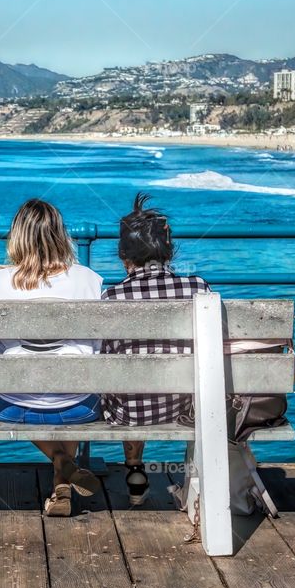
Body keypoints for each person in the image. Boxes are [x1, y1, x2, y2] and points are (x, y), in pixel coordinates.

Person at [0, 199, 103, 517]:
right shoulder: (89, 279)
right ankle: (61, 474)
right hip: (79, 409)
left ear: (17, 237)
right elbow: (97, 345)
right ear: (60, 236)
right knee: (76, 377)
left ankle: (61, 463)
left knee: (7, 388)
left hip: (14, 408)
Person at [101, 192, 210, 505]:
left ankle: (134, 468)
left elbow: (108, 360)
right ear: (168, 252)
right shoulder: (198, 288)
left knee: (128, 378)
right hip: (186, 407)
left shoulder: (112, 297)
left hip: (129, 412)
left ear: (124, 256)